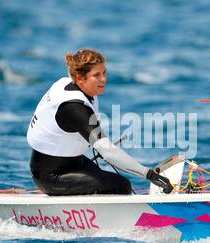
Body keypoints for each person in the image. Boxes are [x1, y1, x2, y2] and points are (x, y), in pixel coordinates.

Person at [27, 49, 173, 196]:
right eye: (96, 75)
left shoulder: (70, 85)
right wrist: (149, 175)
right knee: (120, 185)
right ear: (79, 78)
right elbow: (108, 152)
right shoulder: (73, 108)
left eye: (104, 73)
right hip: (51, 176)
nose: (103, 79)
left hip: (72, 163)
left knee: (111, 180)